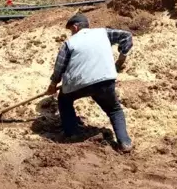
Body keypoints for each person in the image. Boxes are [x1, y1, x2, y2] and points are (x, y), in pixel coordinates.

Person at [45, 13, 134, 152]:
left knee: (64, 100)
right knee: (114, 109)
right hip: (105, 80)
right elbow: (127, 36)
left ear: (75, 27)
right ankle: (125, 142)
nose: (71, 33)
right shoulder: (103, 33)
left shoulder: (70, 43)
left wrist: (53, 84)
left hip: (78, 83)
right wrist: (121, 58)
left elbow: (59, 66)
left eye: (71, 30)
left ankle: (72, 133)